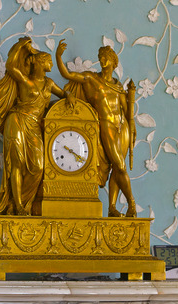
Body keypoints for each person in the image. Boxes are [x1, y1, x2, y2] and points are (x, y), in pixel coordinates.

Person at [55, 40, 137, 217]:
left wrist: (133, 125)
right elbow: (68, 74)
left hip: (122, 127)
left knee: (117, 167)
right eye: (100, 57)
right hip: (105, 125)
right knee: (120, 166)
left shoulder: (117, 85)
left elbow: (127, 111)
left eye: (105, 57)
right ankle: (132, 203)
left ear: (113, 62)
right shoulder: (91, 79)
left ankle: (112, 208)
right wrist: (58, 56)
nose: (101, 60)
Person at [0, 38, 69, 216]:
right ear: (40, 62)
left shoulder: (49, 83)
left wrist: (69, 96)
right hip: (17, 120)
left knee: (38, 167)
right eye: (49, 60)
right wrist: (23, 45)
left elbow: (64, 94)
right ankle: (17, 205)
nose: (51, 63)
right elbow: (11, 65)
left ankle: (20, 202)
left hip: (35, 126)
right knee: (17, 164)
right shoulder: (24, 80)